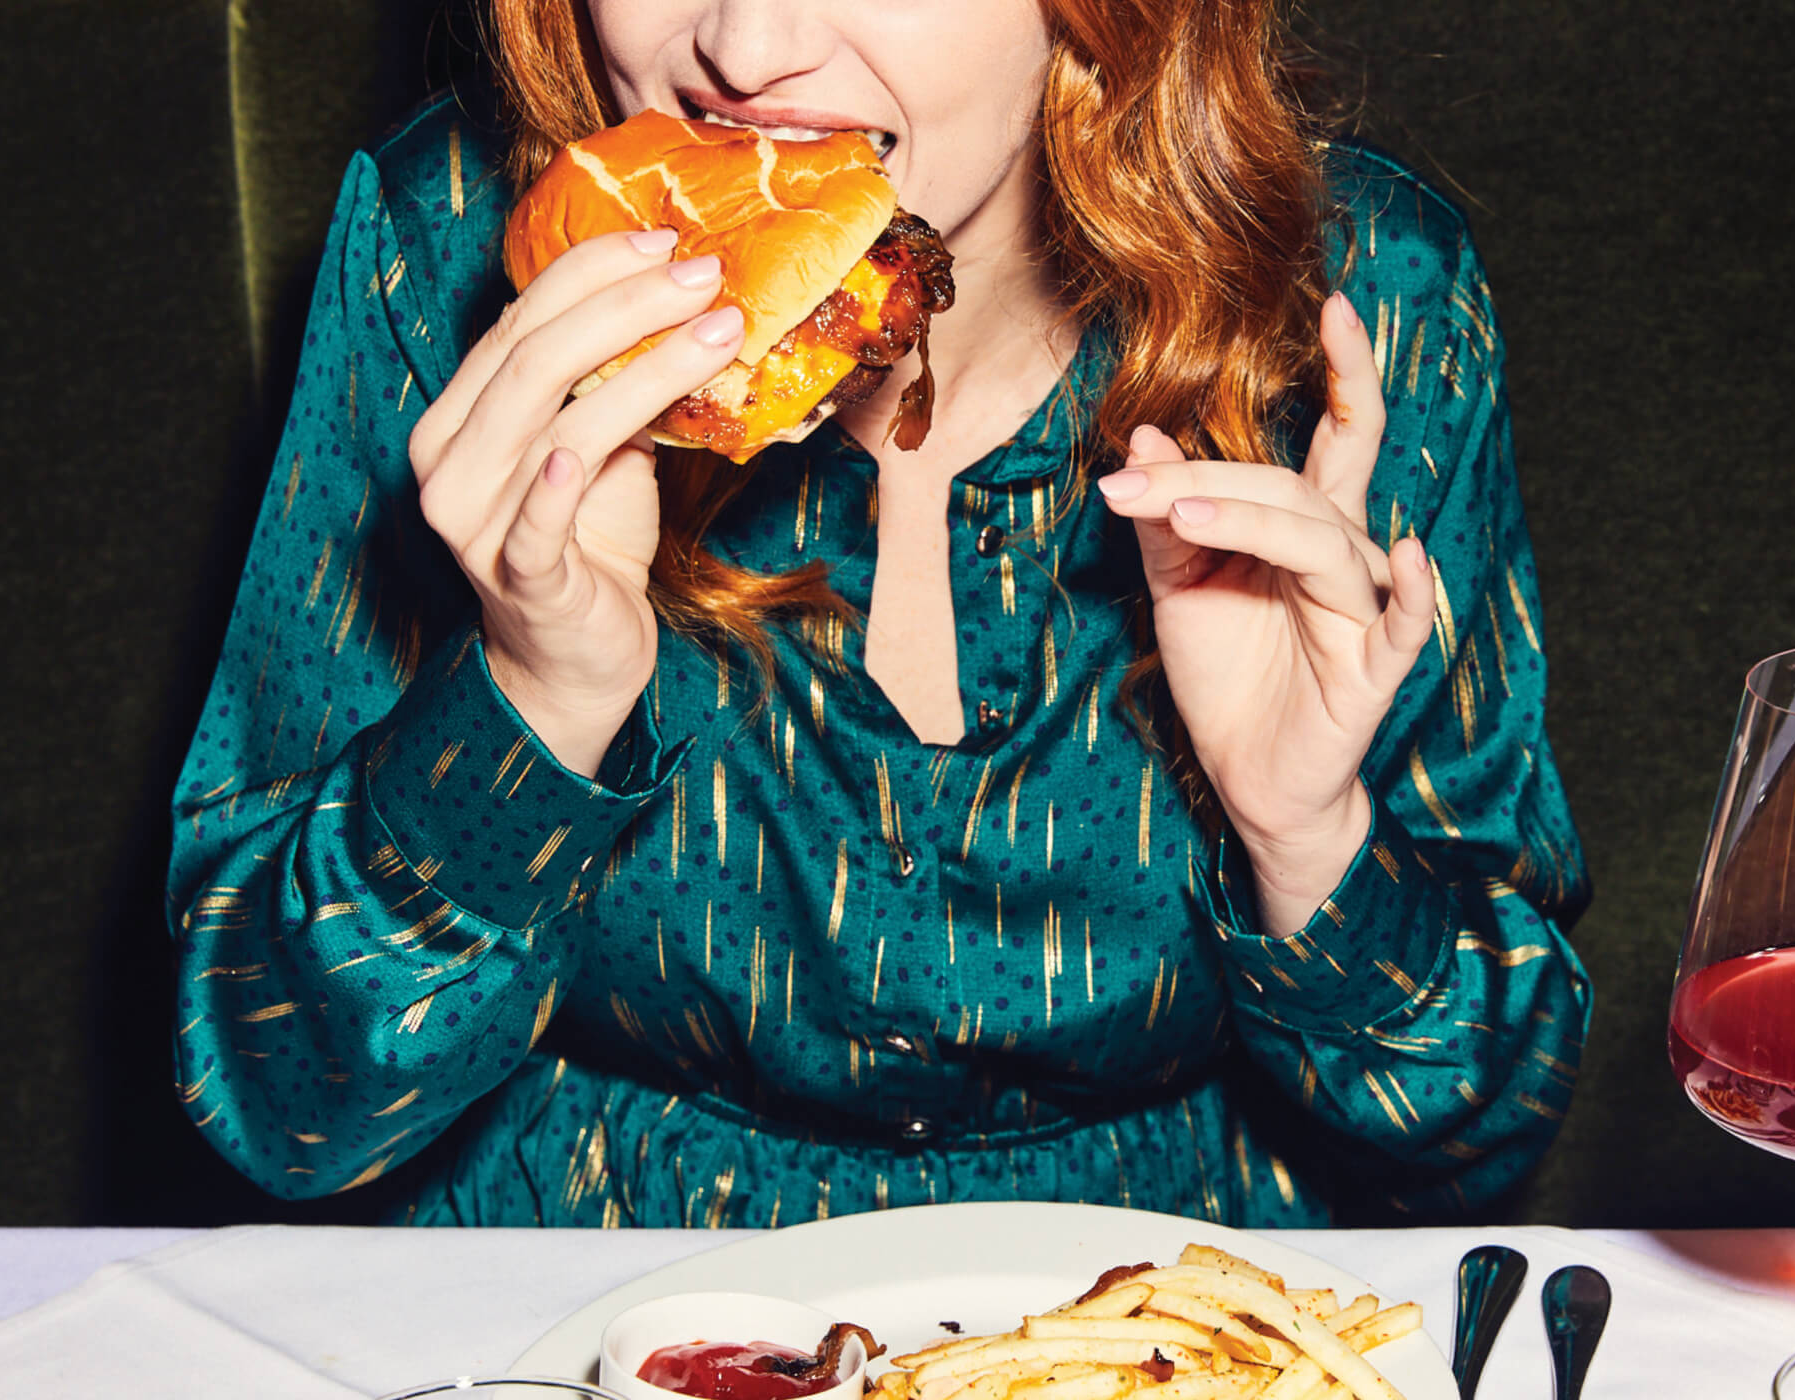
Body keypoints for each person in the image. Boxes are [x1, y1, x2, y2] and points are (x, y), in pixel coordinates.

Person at [168, 0, 1591, 1228]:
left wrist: (1307, 842)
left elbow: (1476, 1136)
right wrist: (533, 704)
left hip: (1166, 1320)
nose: (741, 45)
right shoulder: (455, 254)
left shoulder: (1362, 309)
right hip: (592, 1296)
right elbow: (274, 1097)